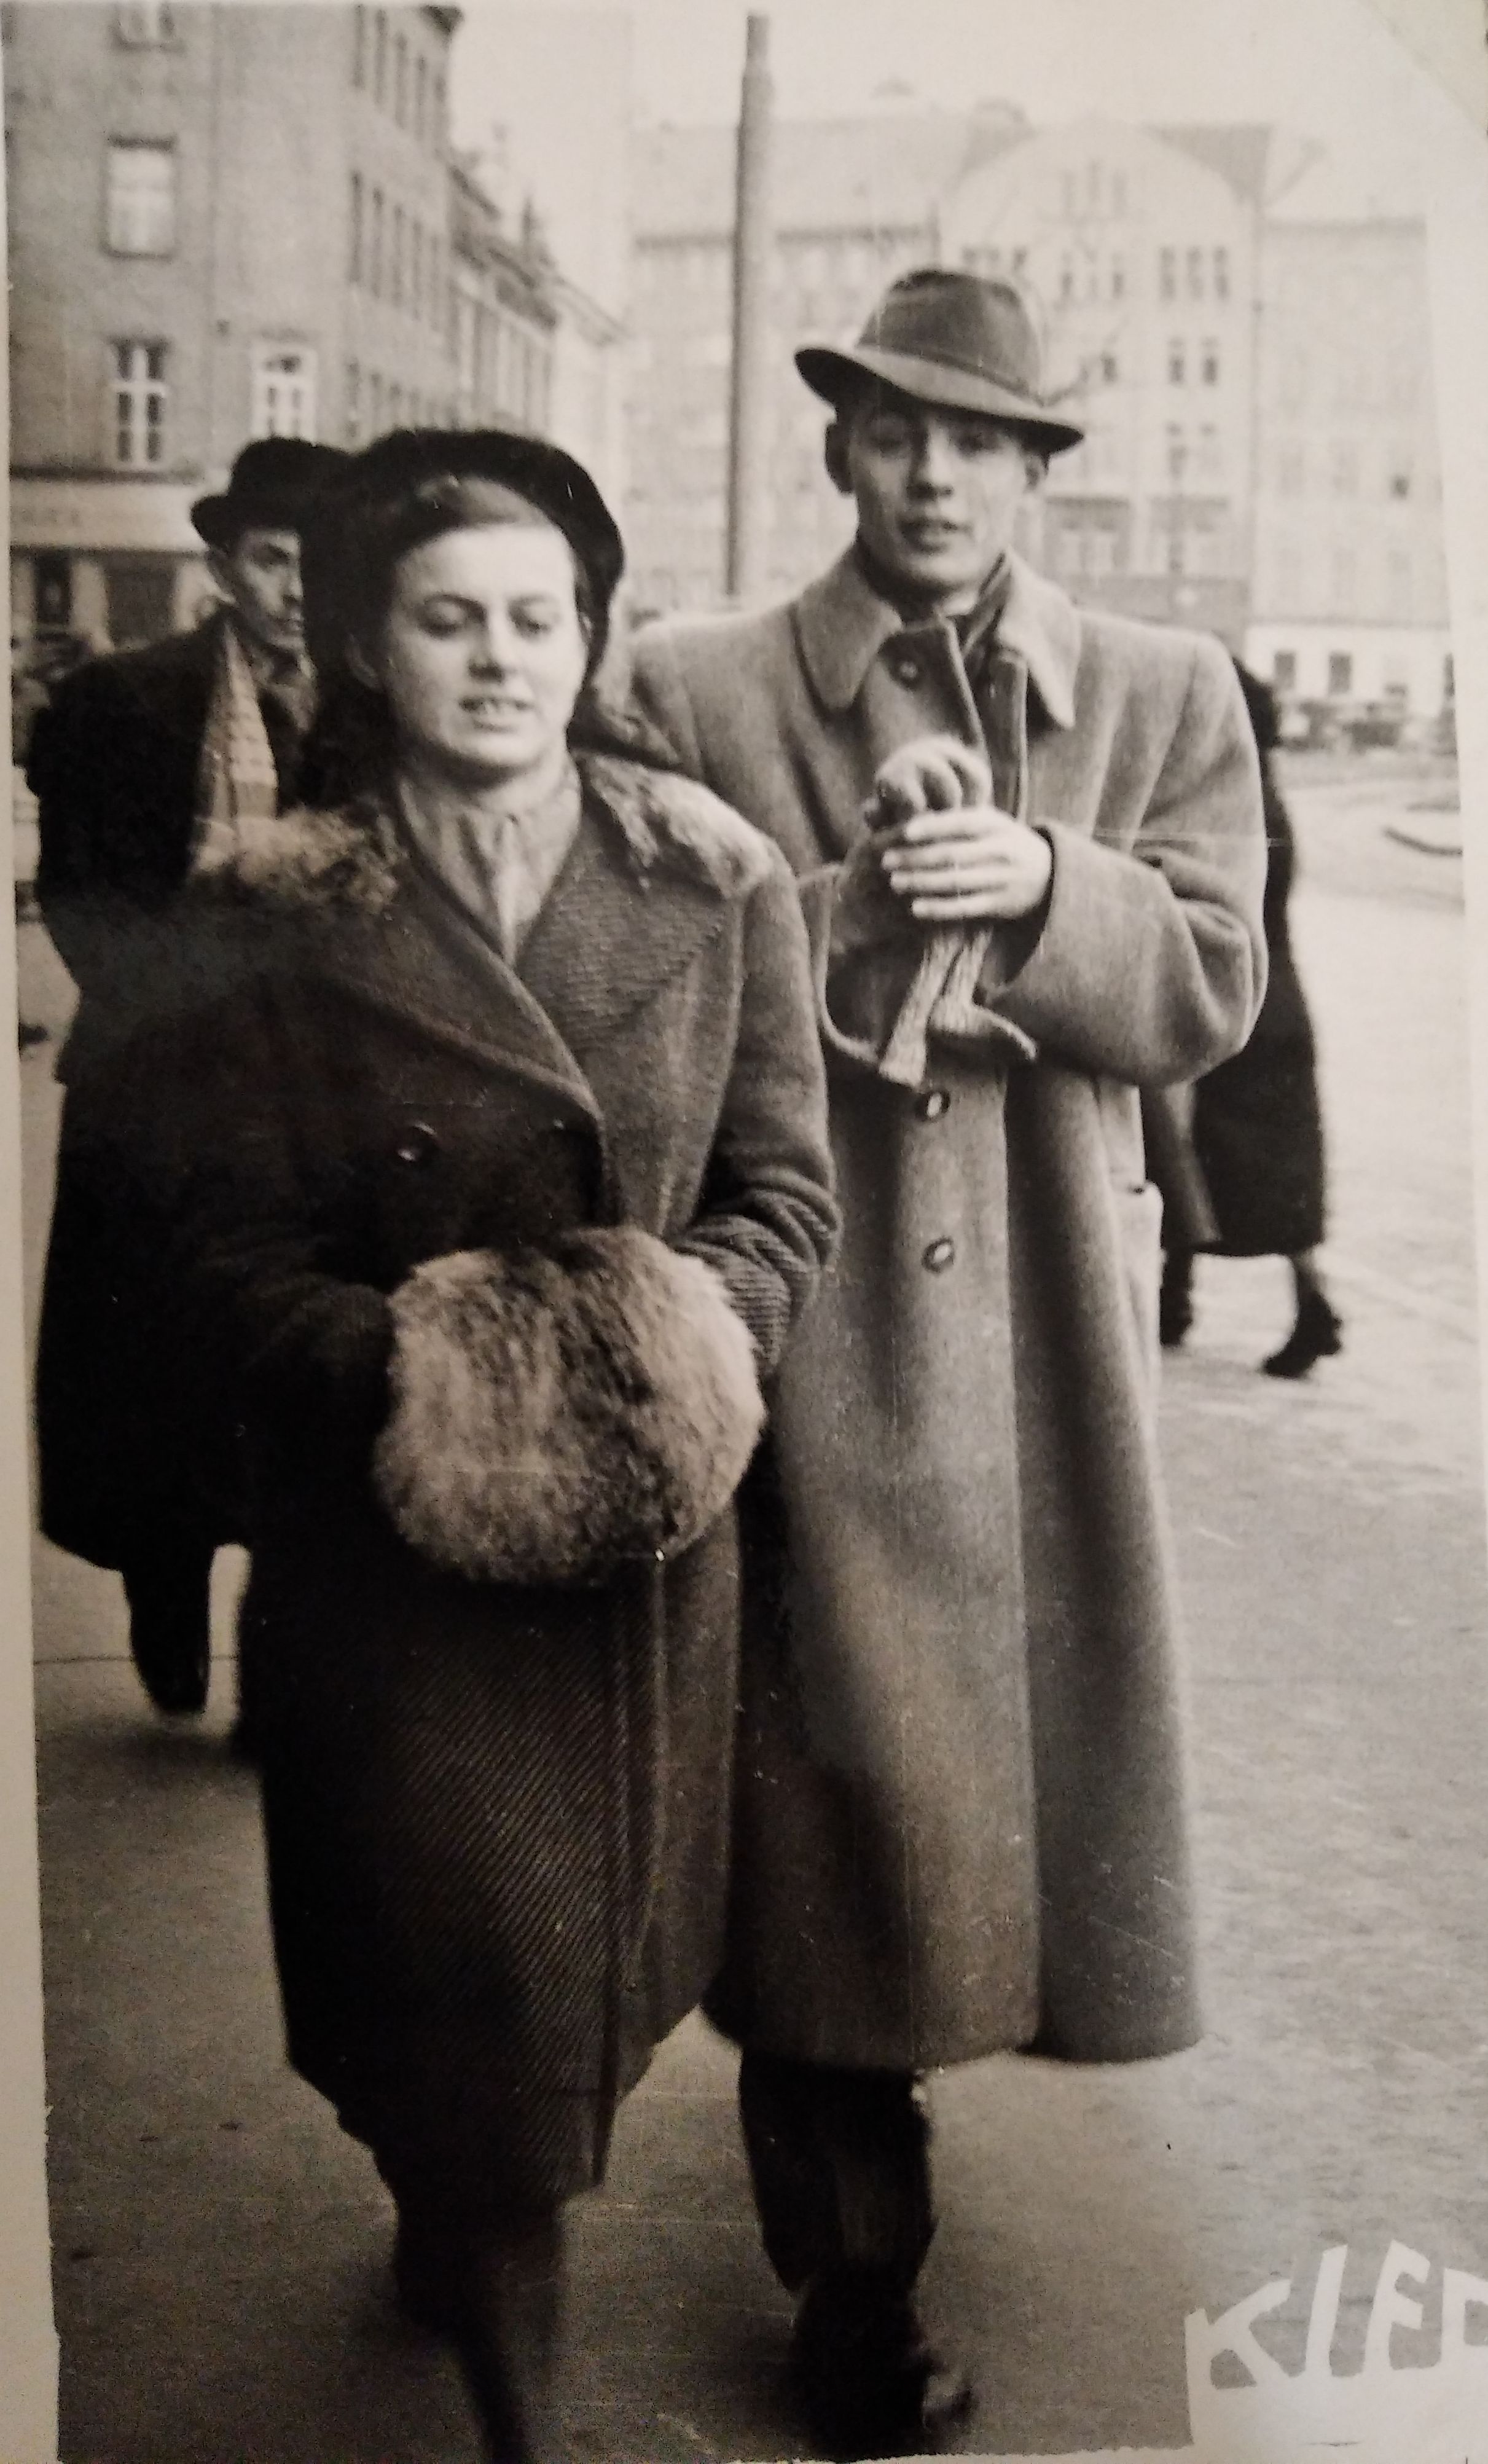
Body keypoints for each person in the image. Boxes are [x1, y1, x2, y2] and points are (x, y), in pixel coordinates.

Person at [75, 427, 837, 2461]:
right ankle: (510, 2382)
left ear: (588, 638)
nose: (499, 658)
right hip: (390, 1552)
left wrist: (672, 1342)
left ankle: (470, 2210)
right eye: (447, 620)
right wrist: (441, 1374)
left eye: (536, 619)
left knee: (561, 2010)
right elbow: (215, 1246)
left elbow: (783, 1194)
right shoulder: (268, 910)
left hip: (643, 1543)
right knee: (459, 2023)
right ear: (368, 644)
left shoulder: (714, 878)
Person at [630, 267, 1267, 2457]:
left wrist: (1057, 885)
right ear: (839, 444)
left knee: (1000, 1799)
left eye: (979, 439)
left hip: (1044, 1346)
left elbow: (1213, 982)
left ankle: (884, 2184)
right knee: (827, 1804)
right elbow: (638, 984)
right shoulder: (692, 684)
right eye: (896, 430)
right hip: (815, 1321)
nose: (932, 474)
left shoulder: (1164, 691)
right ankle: (854, 2279)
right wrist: (862, 902)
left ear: (1034, 468)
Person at [29, 436, 348, 1716]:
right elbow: (81, 900)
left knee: (295, 1377)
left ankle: (277, 1652)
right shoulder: (126, 704)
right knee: (154, 1372)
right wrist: (189, 1008)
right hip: (154, 1085)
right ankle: (163, 1589)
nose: (297, 590)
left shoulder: (370, 717)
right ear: (222, 567)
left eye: (320, 565)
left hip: (316, 1099)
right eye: (273, 560)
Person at [1149, 659, 1342, 1377]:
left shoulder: (1233, 799)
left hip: (1237, 995)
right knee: (1234, 1156)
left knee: (1190, 1142)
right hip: (1277, 997)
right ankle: (1180, 1295)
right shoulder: (1267, 791)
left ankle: (1296, 1306)